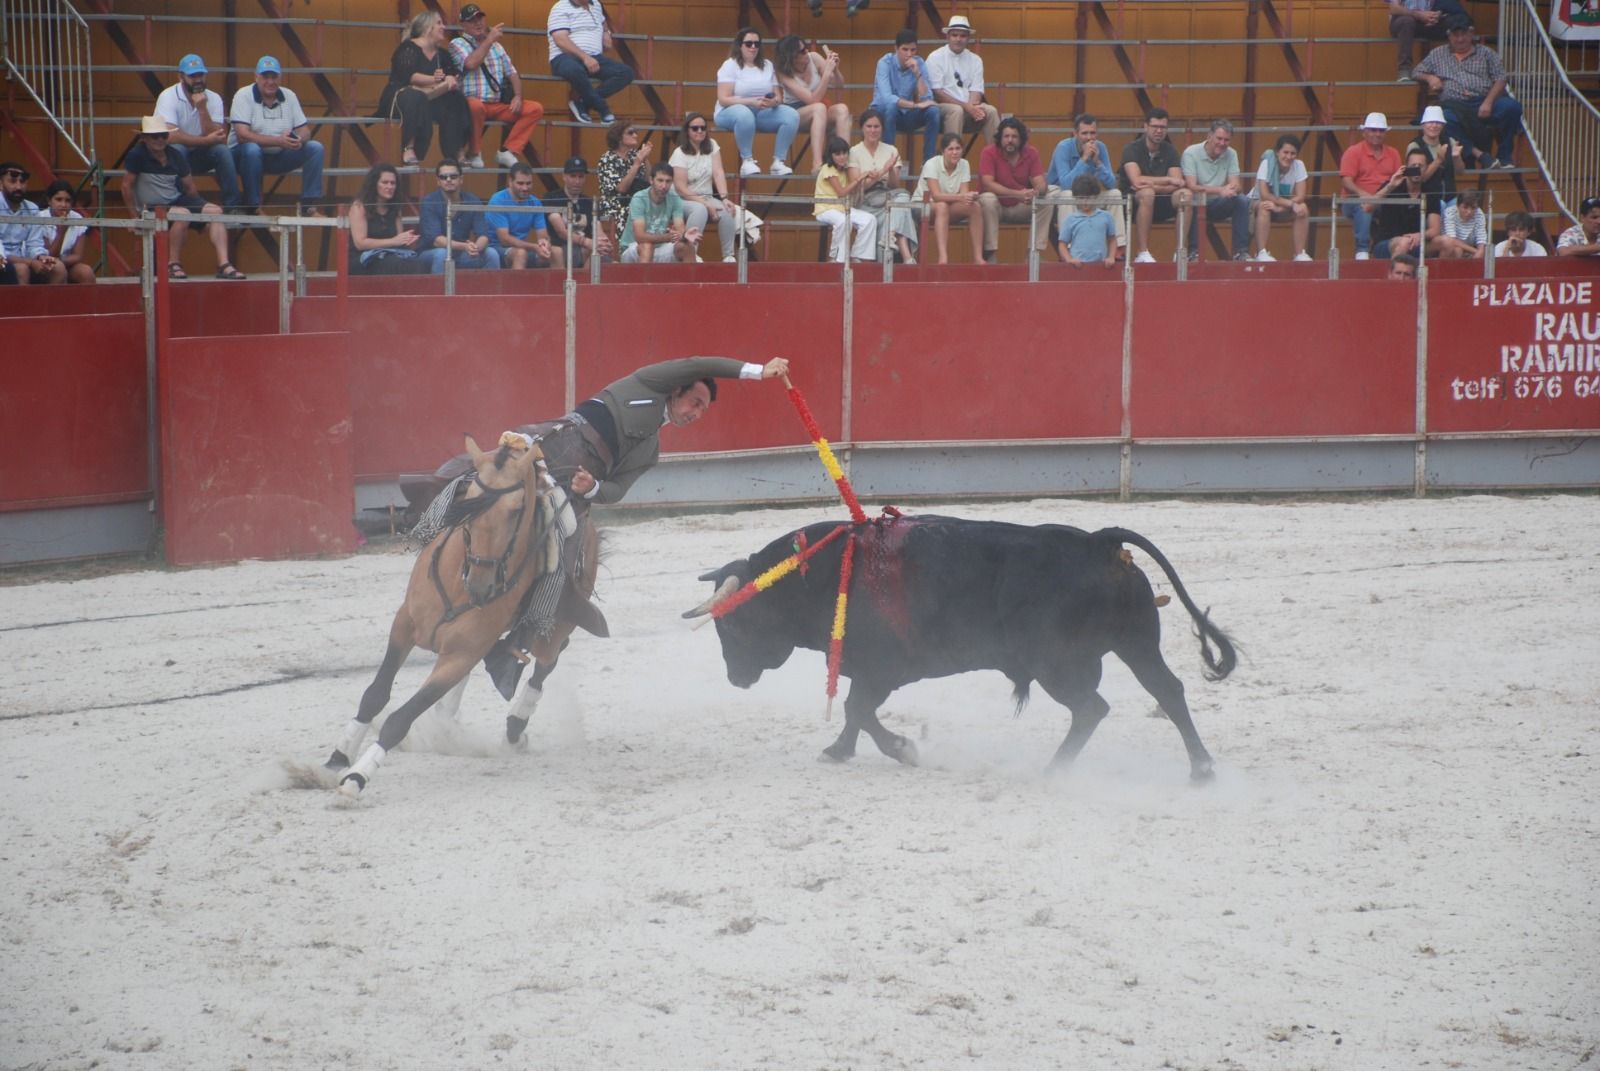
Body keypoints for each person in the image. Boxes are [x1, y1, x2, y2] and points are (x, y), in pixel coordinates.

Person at [121, 117, 240, 280]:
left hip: (176, 201)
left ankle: (224, 264)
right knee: (182, 213)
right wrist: (134, 216)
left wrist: (201, 216)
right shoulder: (136, 155)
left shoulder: (175, 154)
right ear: (144, 138)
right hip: (149, 207)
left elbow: (190, 187)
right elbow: (126, 186)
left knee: (215, 211)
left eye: (163, 135)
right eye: (155, 136)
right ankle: (173, 263)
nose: (160, 139)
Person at [1412, 16, 1522, 169]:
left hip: (1483, 100)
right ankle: (1479, 155)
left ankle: (1505, 156)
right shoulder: (1438, 53)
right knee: (1442, 120)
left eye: (1463, 34)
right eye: (1455, 35)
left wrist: (1488, 102)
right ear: (1449, 36)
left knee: (1512, 107)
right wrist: (1430, 77)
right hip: (1454, 105)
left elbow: (1500, 79)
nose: (1460, 39)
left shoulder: (1486, 53)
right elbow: (1416, 71)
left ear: (1471, 34)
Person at [228, 56, 325, 215]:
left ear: (280, 77)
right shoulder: (243, 95)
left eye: (274, 77)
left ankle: (309, 205)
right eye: (265, 77)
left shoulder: (289, 95)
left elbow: (305, 130)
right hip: (244, 157)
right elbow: (242, 136)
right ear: (256, 77)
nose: (270, 82)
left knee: (315, 148)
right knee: (252, 149)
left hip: (278, 155)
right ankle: (253, 207)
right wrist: (278, 141)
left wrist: (298, 139)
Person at [450, 4, 543, 169]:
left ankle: (508, 150)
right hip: (472, 103)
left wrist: (517, 96)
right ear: (463, 24)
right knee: (475, 106)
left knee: (534, 108)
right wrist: (489, 40)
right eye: (472, 21)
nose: (478, 23)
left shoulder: (497, 46)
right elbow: (471, 63)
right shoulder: (457, 43)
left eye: (480, 18)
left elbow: (512, 73)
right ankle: (475, 152)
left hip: (497, 103)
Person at [376, 11, 471, 167]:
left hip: (432, 97)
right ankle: (409, 148)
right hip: (402, 95)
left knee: (456, 100)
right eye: (439, 23)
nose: (443, 27)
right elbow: (410, 77)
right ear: (428, 27)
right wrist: (437, 79)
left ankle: (457, 151)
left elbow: (453, 75)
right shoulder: (408, 48)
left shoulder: (442, 54)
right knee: (414, 97)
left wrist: (449, 79)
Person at [155, 53, 239, 209]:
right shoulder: (168, 96)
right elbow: (170, 136)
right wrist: (206, 140)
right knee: (178, 149)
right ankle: (182, 203)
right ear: (181, 77)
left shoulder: (213, 98)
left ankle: (232, 207)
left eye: (201, 75)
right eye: (193, 76)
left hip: (200, 155)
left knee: (222, 151)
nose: (198, 80)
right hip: (174, 158)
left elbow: (220, 137)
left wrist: (202, 109)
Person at [714, 29, 798, 178]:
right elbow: (724, 99)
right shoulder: (730, 65)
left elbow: (779, 96)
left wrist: (773, 102)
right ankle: (747, 160)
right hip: (730, 111)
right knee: (744, 113)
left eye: (757, 44)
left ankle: (779, 162)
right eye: (748, 43)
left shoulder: (767, 65)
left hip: (762, 111)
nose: (753, 47)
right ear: (740, 45)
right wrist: (750, 102)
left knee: (792, 115)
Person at [1047, 114, 1126, 258]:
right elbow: (1066, 185)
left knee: (1115, 194)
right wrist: (1083, 159)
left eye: (1093, 133)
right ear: (1075, 134)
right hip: (1060, 197)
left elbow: (1112, 183)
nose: (1089, 138)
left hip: (1089, 196)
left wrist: (1097, 163)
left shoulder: (1101, 147)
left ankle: (1118, 250)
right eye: (1084, 133)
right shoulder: (1063, 147)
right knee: (1068, 195)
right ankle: (1070, 250)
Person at [1120, 108, 1191, 264]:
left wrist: (1153, 184)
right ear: (1146, 127)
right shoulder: (1131, 149)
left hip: (1162, 200)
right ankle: (1142, 252)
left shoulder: (1170, 150)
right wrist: (1167, 180)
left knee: (1185, 194)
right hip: (1132, 203)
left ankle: (1180, 251)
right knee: (1147, 193)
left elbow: (1178, 182)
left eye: (1163, 127)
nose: (1159, 131)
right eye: (1155, 127)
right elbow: (1136, 181)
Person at [976, 117, 1051, 263]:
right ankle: (991, 254)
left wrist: (1035, 192)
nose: (1010, 140)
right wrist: (1018, 194)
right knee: (987, 198)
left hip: (1021, 206)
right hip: (996, 207)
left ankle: (1033, 253)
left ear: (1021, 138)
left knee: (1047, 198)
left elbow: (1041, 183)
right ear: (1000, 138)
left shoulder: (1031, 152)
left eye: (1014, 136)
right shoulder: (989, 152)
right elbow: (988, 184)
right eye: (1006, 136)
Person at [772, 35, 850, 173]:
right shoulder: (783, 73)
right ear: (792, 57)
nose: (806, 52)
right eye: (802, 52)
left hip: (819, 110)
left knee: (842, 109)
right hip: (796, 113)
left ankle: (844, 159)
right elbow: (812, 99)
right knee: (818, 108)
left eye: (806, 48)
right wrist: (826, 74)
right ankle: (817, 164)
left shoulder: (814, 57)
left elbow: (839, 84)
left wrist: (835, 69)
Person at [849, 107, 917, 263]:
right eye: (869, 126)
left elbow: (894, 184)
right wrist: (883, 170)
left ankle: (889, 235)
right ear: (862, 128)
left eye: (877, 126)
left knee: (902, 199)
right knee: (899, 211)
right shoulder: (854, 151)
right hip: (865, 201)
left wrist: (892, 170)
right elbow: (857, 186)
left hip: (887, 196)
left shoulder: (891, 150)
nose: (873, 130)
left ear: (882, 129)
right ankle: (907, 257)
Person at [547, 0, 632, 125]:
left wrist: (606, 33)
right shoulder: (561, 7)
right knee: (574, 69)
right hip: (564, 57)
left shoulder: (596, 5)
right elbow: (560, 40)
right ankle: (603, 109)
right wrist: (585, 57)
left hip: (595, 57)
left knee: (626, 73)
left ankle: (583, 104)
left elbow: (603, 22)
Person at [670, 112, 740, 261]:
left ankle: (729, 255)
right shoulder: (679, 153)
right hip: (682, 199)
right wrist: (706, 204)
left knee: (726, 209)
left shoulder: (712, 145)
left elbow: (718, 172)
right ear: (687, 131)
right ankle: (691, 252)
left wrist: (725, 198)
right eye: (695, 128)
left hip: (706, 196)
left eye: (703, 128)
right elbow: (681, 188)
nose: (700, 131)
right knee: (700, 209)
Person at [1181, 117, 1250, 260]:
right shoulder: (1191, 153)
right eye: (1219, 138)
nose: (1222, 143)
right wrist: (1220, 190)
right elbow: (1192, 186)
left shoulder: (1232, 153)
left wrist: (1232, 189)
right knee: (1192, 201)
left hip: (1219, 203)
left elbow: (1235, 184)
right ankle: (1194, 253)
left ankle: (1240, 252)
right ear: (1209, 136)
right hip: (1197, 202)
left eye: (1226, 140)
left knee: (1242, 200)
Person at [924, 15, 1000, 147]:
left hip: (969, 107)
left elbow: (976, 90)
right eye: (954, 35)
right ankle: (952, 159)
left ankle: (998, 159)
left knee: (991, 111)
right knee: (956, 111)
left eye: (963, 36)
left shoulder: (975, 59)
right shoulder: (935, 57)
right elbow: (937, 92)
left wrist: (971, 107)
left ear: (968, 38)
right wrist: (967, 107)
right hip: (941, 109)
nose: (958, 39)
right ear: (947, 36)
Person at [872, 29, 942, 165]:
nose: (909, 54)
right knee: (891, 107)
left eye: (913, 50)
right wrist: (915, 105)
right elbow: (887, 98)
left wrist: (917, 74)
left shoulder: (919, 63)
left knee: (933, 111)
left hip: (905, 113)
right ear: (896, 49)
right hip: (881, 113)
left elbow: (927, 97)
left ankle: (928, 163)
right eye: (905, 50)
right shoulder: (884, 63)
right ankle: (888, 161)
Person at [1339, 111, 1402, 261]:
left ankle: (1393, 249)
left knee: (1402, 205)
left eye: (1381, 130)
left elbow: (1399, 180)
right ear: (1364, 133)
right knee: (1365, 206)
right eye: (1373, 130)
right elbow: (1346, 181)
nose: (1377, 134)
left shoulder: (1393, 153)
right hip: (1354, 200)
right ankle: (1362, 249)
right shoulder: (1353, 152)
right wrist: (1363, 194)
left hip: (1385, 200)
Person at [418, 160, 501, 272]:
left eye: (453, 176)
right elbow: (436, 240)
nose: (448, 180)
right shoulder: (429, 202)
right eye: (443, 177)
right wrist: (465, 246)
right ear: (438, 181)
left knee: (491, 254)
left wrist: (475, 248)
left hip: (462, 253)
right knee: (442, 254)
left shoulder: (472, 200)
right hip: (431, 253)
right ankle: (438, 290)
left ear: (461, 179)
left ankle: (489, 290)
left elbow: (484, 235)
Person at [915, 132, 982, 264]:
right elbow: (936, 195)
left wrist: (970, 196)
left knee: (974, 207)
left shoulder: (964, 164)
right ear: (943, 151)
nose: (955, 152)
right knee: (942, 206)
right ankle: (943, 258)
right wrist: (962, 196)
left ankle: (978, 257)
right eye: (950, 149)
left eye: (958, 149)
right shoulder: (931, 163)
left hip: (947, 206)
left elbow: (964, 195)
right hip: (922, 205)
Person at [348, 162, 422, 274]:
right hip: (363, 258)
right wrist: (393, 241)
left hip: (389, 254)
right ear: (374, 184)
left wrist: (406, 239)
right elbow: (360, 243)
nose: (390, 187)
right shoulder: (359, 206)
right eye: (385, 182)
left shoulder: (395, 208)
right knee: (396, 265)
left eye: (393, 183)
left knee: (417, 263)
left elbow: (398, 240)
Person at [487, 162, 562, 270]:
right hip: (496, 249)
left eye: (528, 183)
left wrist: (544, 244)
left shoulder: (535, 202)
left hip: (522, 248)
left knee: (557, 252)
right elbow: (504, 240)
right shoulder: (498, 200)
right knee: (520, 254)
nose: (525, 188)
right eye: (520, 183)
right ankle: (516, 287)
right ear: (510, 182)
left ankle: (558, 287)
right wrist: (534, 247)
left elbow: (543, 235)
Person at [813, 136, 876, 263]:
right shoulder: (827, 169)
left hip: (842, 208)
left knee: (870, 219)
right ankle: (835, 258)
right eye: (837, 154)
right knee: (843, 221)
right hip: (824, 209)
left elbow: (851, 190)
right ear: (831, 155)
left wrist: (870, 177)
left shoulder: (844, 170)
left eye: (844, 153)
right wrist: (860, 178)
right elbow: (841, 193)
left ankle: (857, 255)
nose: (842, 157)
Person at [1370, 148, 1442, 259]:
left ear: (1427, 168)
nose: (1416, 169)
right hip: (1387, 243)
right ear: (1406, 167)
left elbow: (1435, 230)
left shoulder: (1430, 192)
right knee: (1404, 243)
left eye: (1420, 166)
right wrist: (1390, 186)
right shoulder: (1393, 186)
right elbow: (1367, 207)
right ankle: (1396, 275)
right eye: (1413, 166)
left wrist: (1419, 235)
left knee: (1447, 243)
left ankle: (1432, 275)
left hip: (1417, 242)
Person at [1250, 134, 1310, 261]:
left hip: (1282, 205)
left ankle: (1299, 253)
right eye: (1285, 152)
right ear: (1277, 152)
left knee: (1303, 208)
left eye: (1293, 153)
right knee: (1264, 206)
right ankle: (1261, 252)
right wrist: (1290, 205)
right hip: (1257, 201)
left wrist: (1280, 208)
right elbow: (1264, 194)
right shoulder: (1267, 163)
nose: (1288, 157)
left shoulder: (1299, 165)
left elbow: (1300, 196)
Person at [620, 162, 696, 263]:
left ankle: (692, 279)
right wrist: (666, 237)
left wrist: (684, 235)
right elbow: (640, 236)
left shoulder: (674, 198)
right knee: (647, 245)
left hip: (660, 247)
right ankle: (645, 279)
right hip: (633, 247)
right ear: (651, 180)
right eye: (660, 180)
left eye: (668, 181)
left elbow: (679, 227)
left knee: (687, 247)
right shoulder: (639, 198)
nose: (664, 186)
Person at [545, 156, 613, 267]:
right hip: (560, 248)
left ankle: (585, 282)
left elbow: (598, 229)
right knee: (556, 252)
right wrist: (587, 242)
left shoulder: (589, 202)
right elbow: (561, 232)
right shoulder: (552, 198)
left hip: (584, 250)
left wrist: (604, 242)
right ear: (564, 176)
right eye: (573, 176)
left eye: (581, 177)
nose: (577, 181)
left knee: (601, 252)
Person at [0, 163, 60, 284]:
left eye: (22, 182)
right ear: (0, 184)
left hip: (22, 259)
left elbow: (34, 244)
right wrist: (30, 262)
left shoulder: (32, 208)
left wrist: (41, 257)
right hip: (3, 259)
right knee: (22, 269)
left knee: (57, 268)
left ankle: (50, 303)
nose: (18, 186)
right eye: (12, 181)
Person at [596, 119, 652, 246]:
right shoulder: (607, 159)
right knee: (631, 211)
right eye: (631, 133)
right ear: (619, 137)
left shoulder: (634, 155)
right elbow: (621, 189)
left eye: (636, 132)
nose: (635, 135)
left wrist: (645, 159)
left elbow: (649, 181)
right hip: (616, 205)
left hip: (637, 201)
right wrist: (637, 163)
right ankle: (629, 248)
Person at [1387, 0, 1465, 81]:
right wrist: (1418, 15)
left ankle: (1453, 69)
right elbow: (1394, 8)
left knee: (1454, 22)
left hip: (1424, 21)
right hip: (1402, 20)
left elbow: (1441, 5)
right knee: (1407, 21)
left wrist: (1435, 16)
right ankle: (1404, 69)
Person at [39, 180, 96, 284]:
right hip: (43, 265)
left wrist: (60, 261)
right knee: (58, 269)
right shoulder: (40, 218)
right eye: (59, 200)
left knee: (86, 272)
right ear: (49, 201)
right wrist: (61, 232)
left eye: (67, 200)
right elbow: (49, 255)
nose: (63, 204)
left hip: (67, 264)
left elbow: (78, 256)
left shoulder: (77, 218)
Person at [1056, 174, 1117, 268]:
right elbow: (1062, 244)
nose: (1085, 202)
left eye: (1088, 198)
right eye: (1081, 198)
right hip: (1077, 267)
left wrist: (1111, 257)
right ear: (1075, 198)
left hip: (1101, 267)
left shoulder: (1106, 217)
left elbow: (1112, 239)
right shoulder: (1070, 219)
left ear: (1096, 196)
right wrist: (1069, 259)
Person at [1407, 105, 1461, 208]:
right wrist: (1438, 160)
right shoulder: (1414, 146)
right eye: (1430, 122)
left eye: (1438, 123)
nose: (1434, 125)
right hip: (1426, 199)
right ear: (1423, 125)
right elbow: (1416, 178)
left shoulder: (1450, 142)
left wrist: (1456, 157)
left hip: (1451, 197)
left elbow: (1460, 172)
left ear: (1442, 126)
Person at [1437, 189, 1486, 258]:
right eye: (1465, 207)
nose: (1469, 211)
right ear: (1457, 205)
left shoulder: (1479, 214)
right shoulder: (1450, 212)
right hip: (1449, 248)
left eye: (1473, 208)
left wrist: (1480, 251)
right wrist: (1475, 251)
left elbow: (1481, 239)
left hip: (1470, 249)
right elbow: (1452, 240)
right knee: (1458, 250)